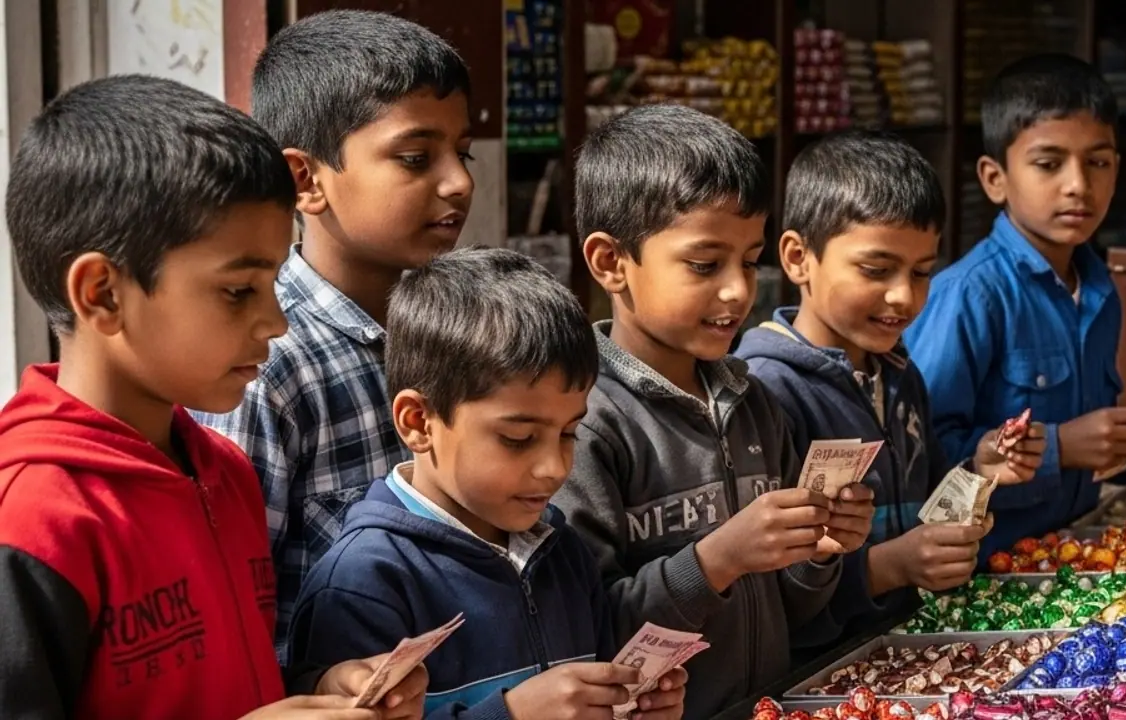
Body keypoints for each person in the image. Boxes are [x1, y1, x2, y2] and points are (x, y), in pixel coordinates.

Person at [0, 74, 426, 720]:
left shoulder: (224, 472)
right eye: (238, 291)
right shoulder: (32, 523)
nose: (276, 322)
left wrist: (321, 690)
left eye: (275, 282)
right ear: (102, 294)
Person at [553, 104, 877, 718]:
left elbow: (792, 610)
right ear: (609, 262)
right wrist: (716, 560)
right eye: (704, 264)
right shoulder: (583, 423)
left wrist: (819, 551)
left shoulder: (754, 403)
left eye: (749, 261)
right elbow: (585, 635)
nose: (737, 290)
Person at [287, 248, 688, 720]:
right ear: (418, 421)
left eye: (567, 433)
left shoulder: (561, 552)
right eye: (517, 438)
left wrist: (630, 707)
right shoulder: (364, 583)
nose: (554, 468)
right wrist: (511, 715)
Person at [192, 9, 475, 658]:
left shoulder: (458, 328)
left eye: (462, 153)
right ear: (305, 180)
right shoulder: (266, 363)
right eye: (415, 157)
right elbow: (239, 612)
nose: (459, 182)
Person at [734, 130, 1046, 657]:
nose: (903, 295)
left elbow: (928, 507)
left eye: (922, 272)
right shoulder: (767, 390)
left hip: (912, 649)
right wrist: (888, 567)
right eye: (876, 270)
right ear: (797, 257)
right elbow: (769, 590)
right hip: (823, 668)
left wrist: (979, 472)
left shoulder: (901, 376)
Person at [903, 54, 1126, 561]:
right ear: (995, 178)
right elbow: (922, 465)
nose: (1078, 184)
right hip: (987, 568)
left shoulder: (1098, 286)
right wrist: (1061, 447)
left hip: (1075, 549)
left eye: (1097, 162)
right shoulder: (970, 295)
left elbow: (1098, 446)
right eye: (1049, 163)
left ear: (1117, 169)